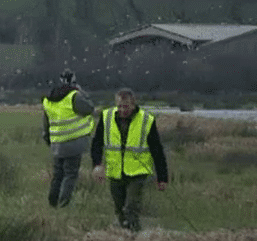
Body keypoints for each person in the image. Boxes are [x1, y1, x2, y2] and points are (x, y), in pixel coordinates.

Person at [91, 88, 168, 232]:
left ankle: (134, 237)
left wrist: (162, 177)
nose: (122, 110)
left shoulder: (146, 120)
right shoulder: (106, 117)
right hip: (115, 172)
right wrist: (97, 164)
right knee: (119, 210)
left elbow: (157, 150)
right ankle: (127, 237)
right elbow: (97, 143)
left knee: (131, 208)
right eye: (119, 106)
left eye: (126, 106)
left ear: (133, 104)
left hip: (138, 172)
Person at [42, 69, 95, 208]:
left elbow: (46, 122)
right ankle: (63, 204)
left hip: (56, 144)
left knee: (58, 175)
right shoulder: (75, 96)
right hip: (73, 142)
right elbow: (89, 108)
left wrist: (48, 139)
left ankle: (52, 202)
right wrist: (81, 92)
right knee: (70, 175)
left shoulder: (49, 99)